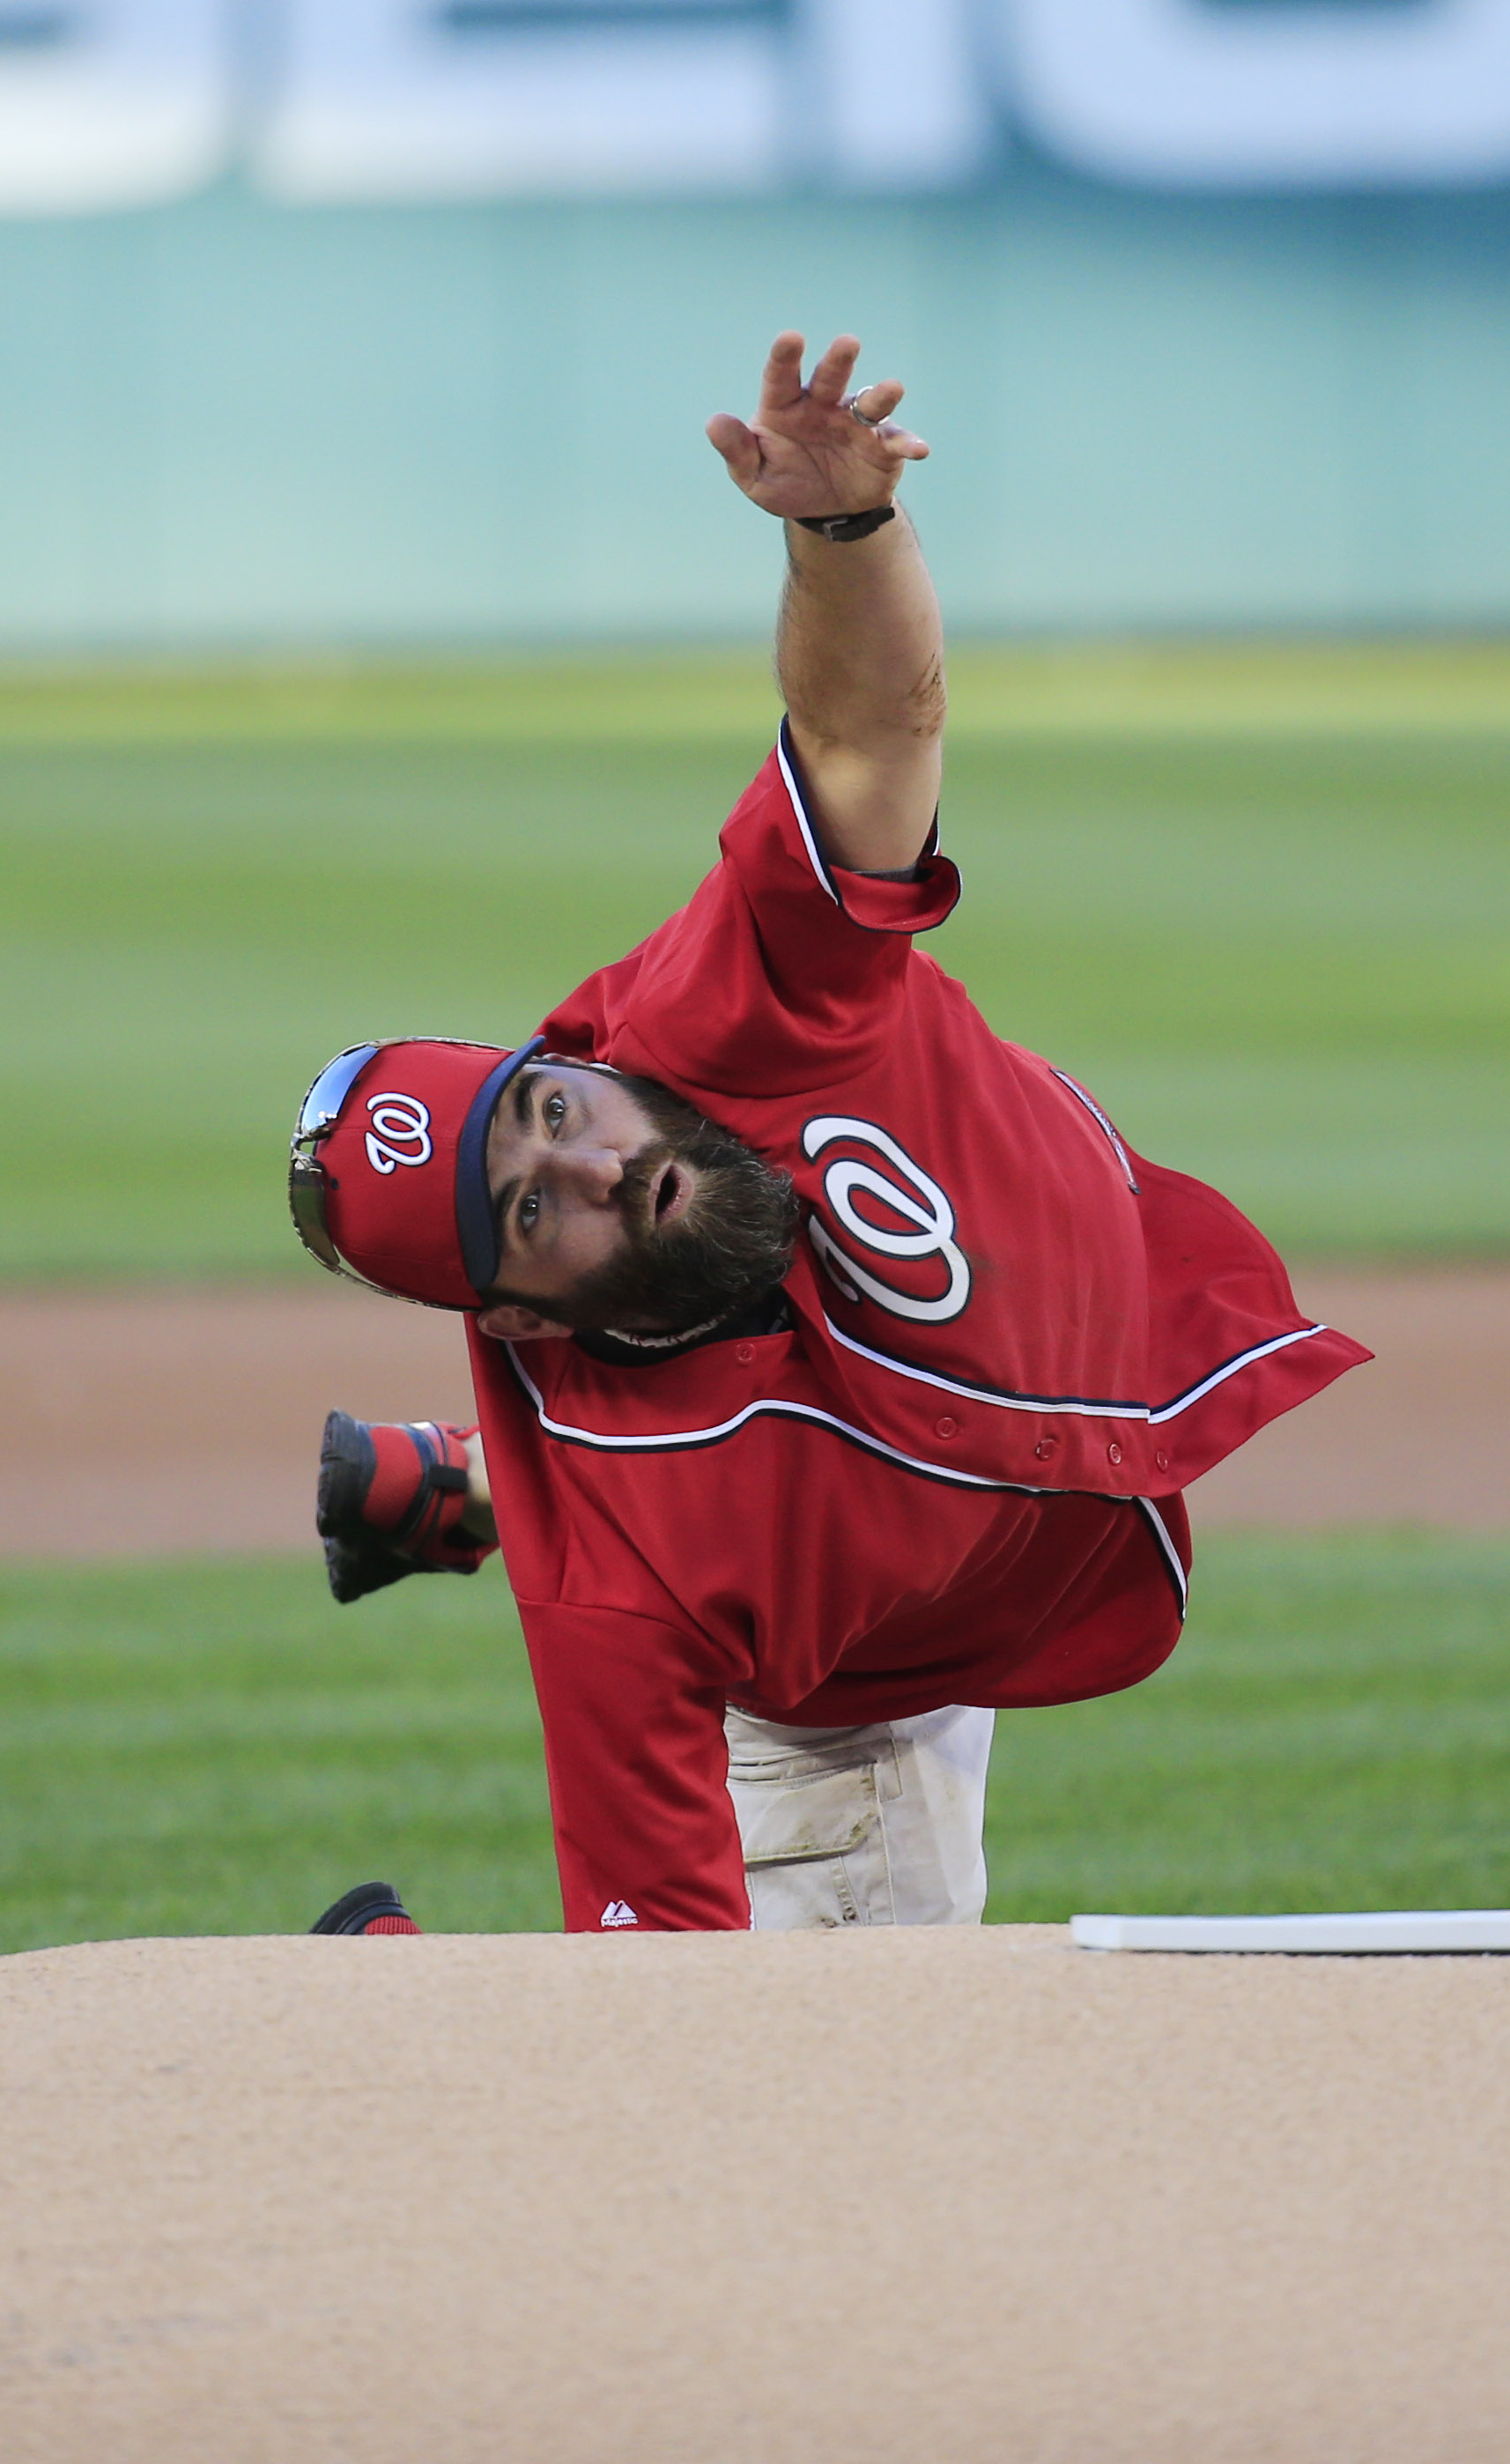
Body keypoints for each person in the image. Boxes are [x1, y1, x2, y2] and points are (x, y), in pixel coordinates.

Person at [288, 330, 1369, 1935]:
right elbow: (666, 1972)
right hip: (847, 1692)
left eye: (546, 1106)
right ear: (518, 1312)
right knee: (852, 2093)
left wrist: (845, 531)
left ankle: (443, 1482)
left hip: (1054, 1344)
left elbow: (870, 734)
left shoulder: (719, 1008)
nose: (591, 1159)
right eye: (530, 1210)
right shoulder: (621, 1572)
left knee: (758, 1437)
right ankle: (378, 1994)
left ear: (562, 1057)